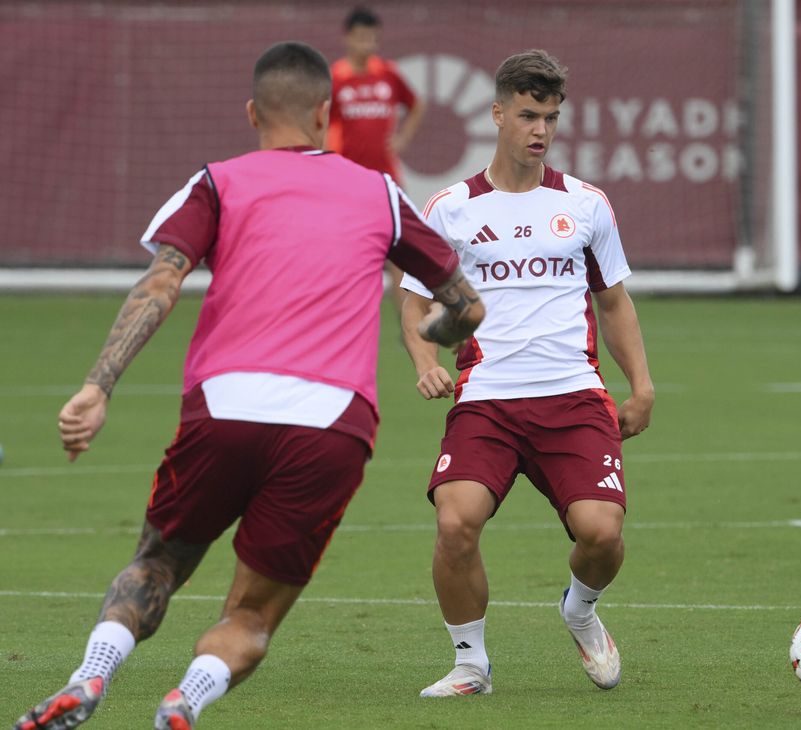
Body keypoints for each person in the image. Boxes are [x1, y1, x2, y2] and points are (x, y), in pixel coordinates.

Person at [13, 41, 482, 730]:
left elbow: (161, 282)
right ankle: (185, 700)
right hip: (331, 423)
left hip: (225, 406)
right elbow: (465, 307)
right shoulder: (380, 192)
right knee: (253, 611)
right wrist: (439, 339)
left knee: (158, 561)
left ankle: (89, 677)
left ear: (251, 112)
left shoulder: (217, 181)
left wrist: (97, 386)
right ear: (326, 114)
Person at [399, 49, 654, 698]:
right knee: (455, 523)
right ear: (497, 115)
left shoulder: (587, 204)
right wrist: (426, 360)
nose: (540, 129)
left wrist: (642, 384)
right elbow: (414, 299)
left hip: (574, 398)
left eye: (551, 117)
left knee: (602, 535)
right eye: (528, 115)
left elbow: (615, 300)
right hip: (487, 400)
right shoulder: (452, 208)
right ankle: (470, 665)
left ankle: (580, 609)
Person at [327, 6, 427, 312]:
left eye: (372, 38)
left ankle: (407, 318)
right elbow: (320, 123)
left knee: (400, 250)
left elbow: (416, 105)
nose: (366, 44)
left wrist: (402, 139)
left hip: (387, 178)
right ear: (347, 38)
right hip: (348, 179)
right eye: (360, 38)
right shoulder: (336, 77)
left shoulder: (388, 73)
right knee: (347, 252)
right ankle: (345, 313)